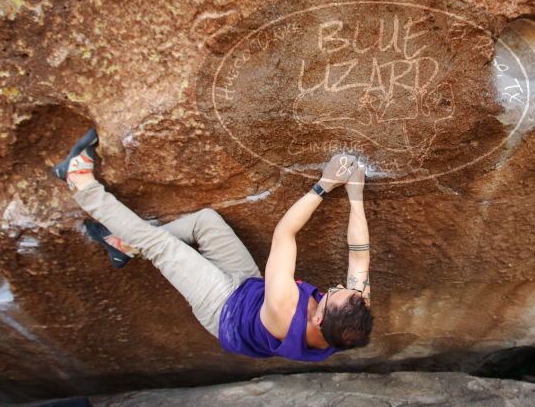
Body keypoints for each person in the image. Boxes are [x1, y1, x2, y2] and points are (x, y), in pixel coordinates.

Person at [52, 129, 373, 361]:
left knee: (159, 245)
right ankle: (125, 246)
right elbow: (359, 259)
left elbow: (284, 234)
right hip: (249, 289)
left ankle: (80, 183)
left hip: (223, 309)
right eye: (347, 288)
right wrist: (355, 193)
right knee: (206, 222)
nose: (336, 285)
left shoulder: (285, 308)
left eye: (334, 291)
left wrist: (325, 186)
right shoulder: (349, 316)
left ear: (317, 320)